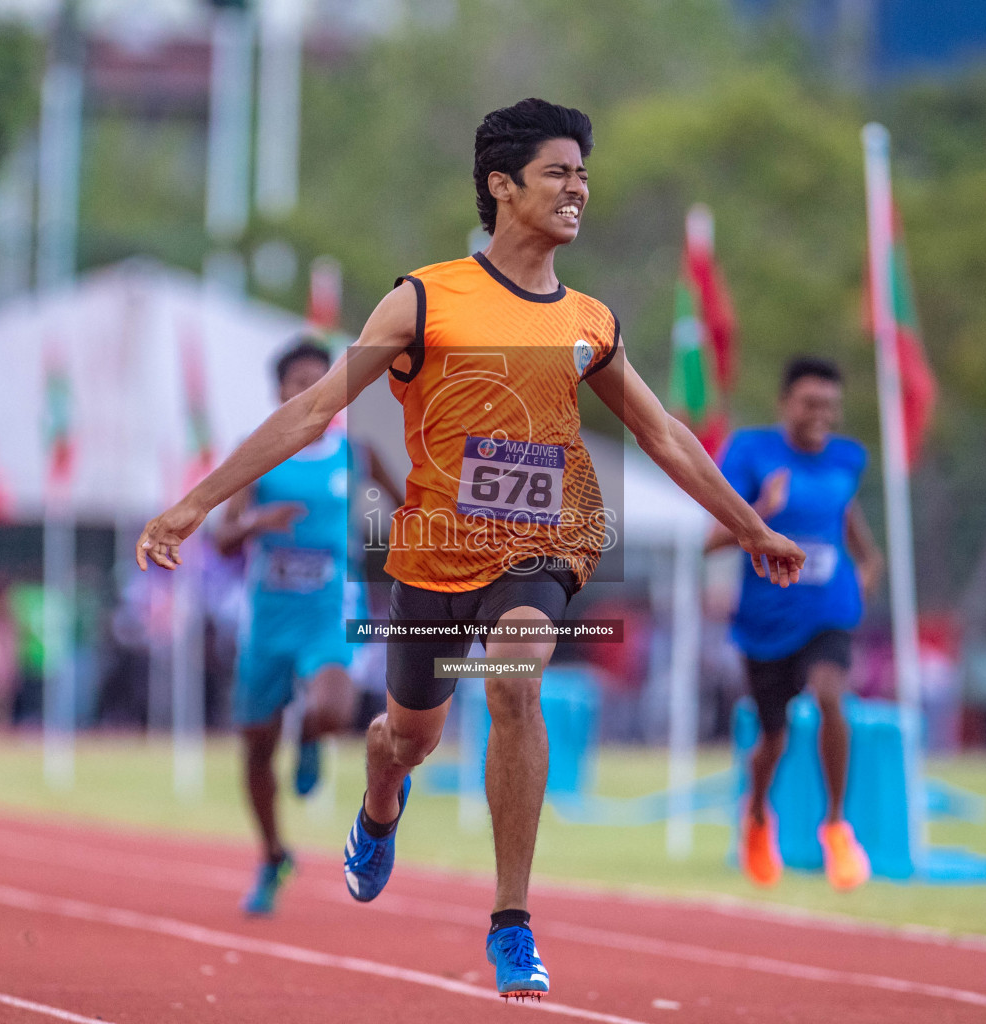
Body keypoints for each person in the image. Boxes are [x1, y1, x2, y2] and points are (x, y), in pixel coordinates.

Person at [136, 98, 803, 999]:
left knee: (517, 679)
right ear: (503, 186)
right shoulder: (423, 298)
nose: (580, 188)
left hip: (550, 542)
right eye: (560, 172)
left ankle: (512, 921)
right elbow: (311, 412)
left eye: (583, 172)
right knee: (405, 740)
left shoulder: (590, 321)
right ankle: (380, 803)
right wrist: (191, 507)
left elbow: (665, 435)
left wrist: (752, 525)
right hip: (432, 554)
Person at [214, 337, 403, 917]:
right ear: (280, 389)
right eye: (299, 381)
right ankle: (273, 854)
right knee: (253, 749)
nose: (310, 392)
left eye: (322, 382)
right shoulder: (260, 452)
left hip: (331, 609)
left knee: (335, 711)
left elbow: (412, 506)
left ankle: (312, 738)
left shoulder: (357, 454)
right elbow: (221, 537)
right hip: (269, 618)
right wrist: (255, 523)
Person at [707, 356, 883, 892]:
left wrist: (870, 563)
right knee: (773, 739)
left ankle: (835, 826)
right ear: (786, 403)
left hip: (827, 610)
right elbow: (711, 539)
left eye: (830, 406)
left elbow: (844, 517)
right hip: (764, 620)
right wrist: (762, 507)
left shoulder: (848, 460)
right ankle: (757, 815)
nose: (820, 415)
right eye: (810, 403)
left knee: (831, 696)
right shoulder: (750, 452)